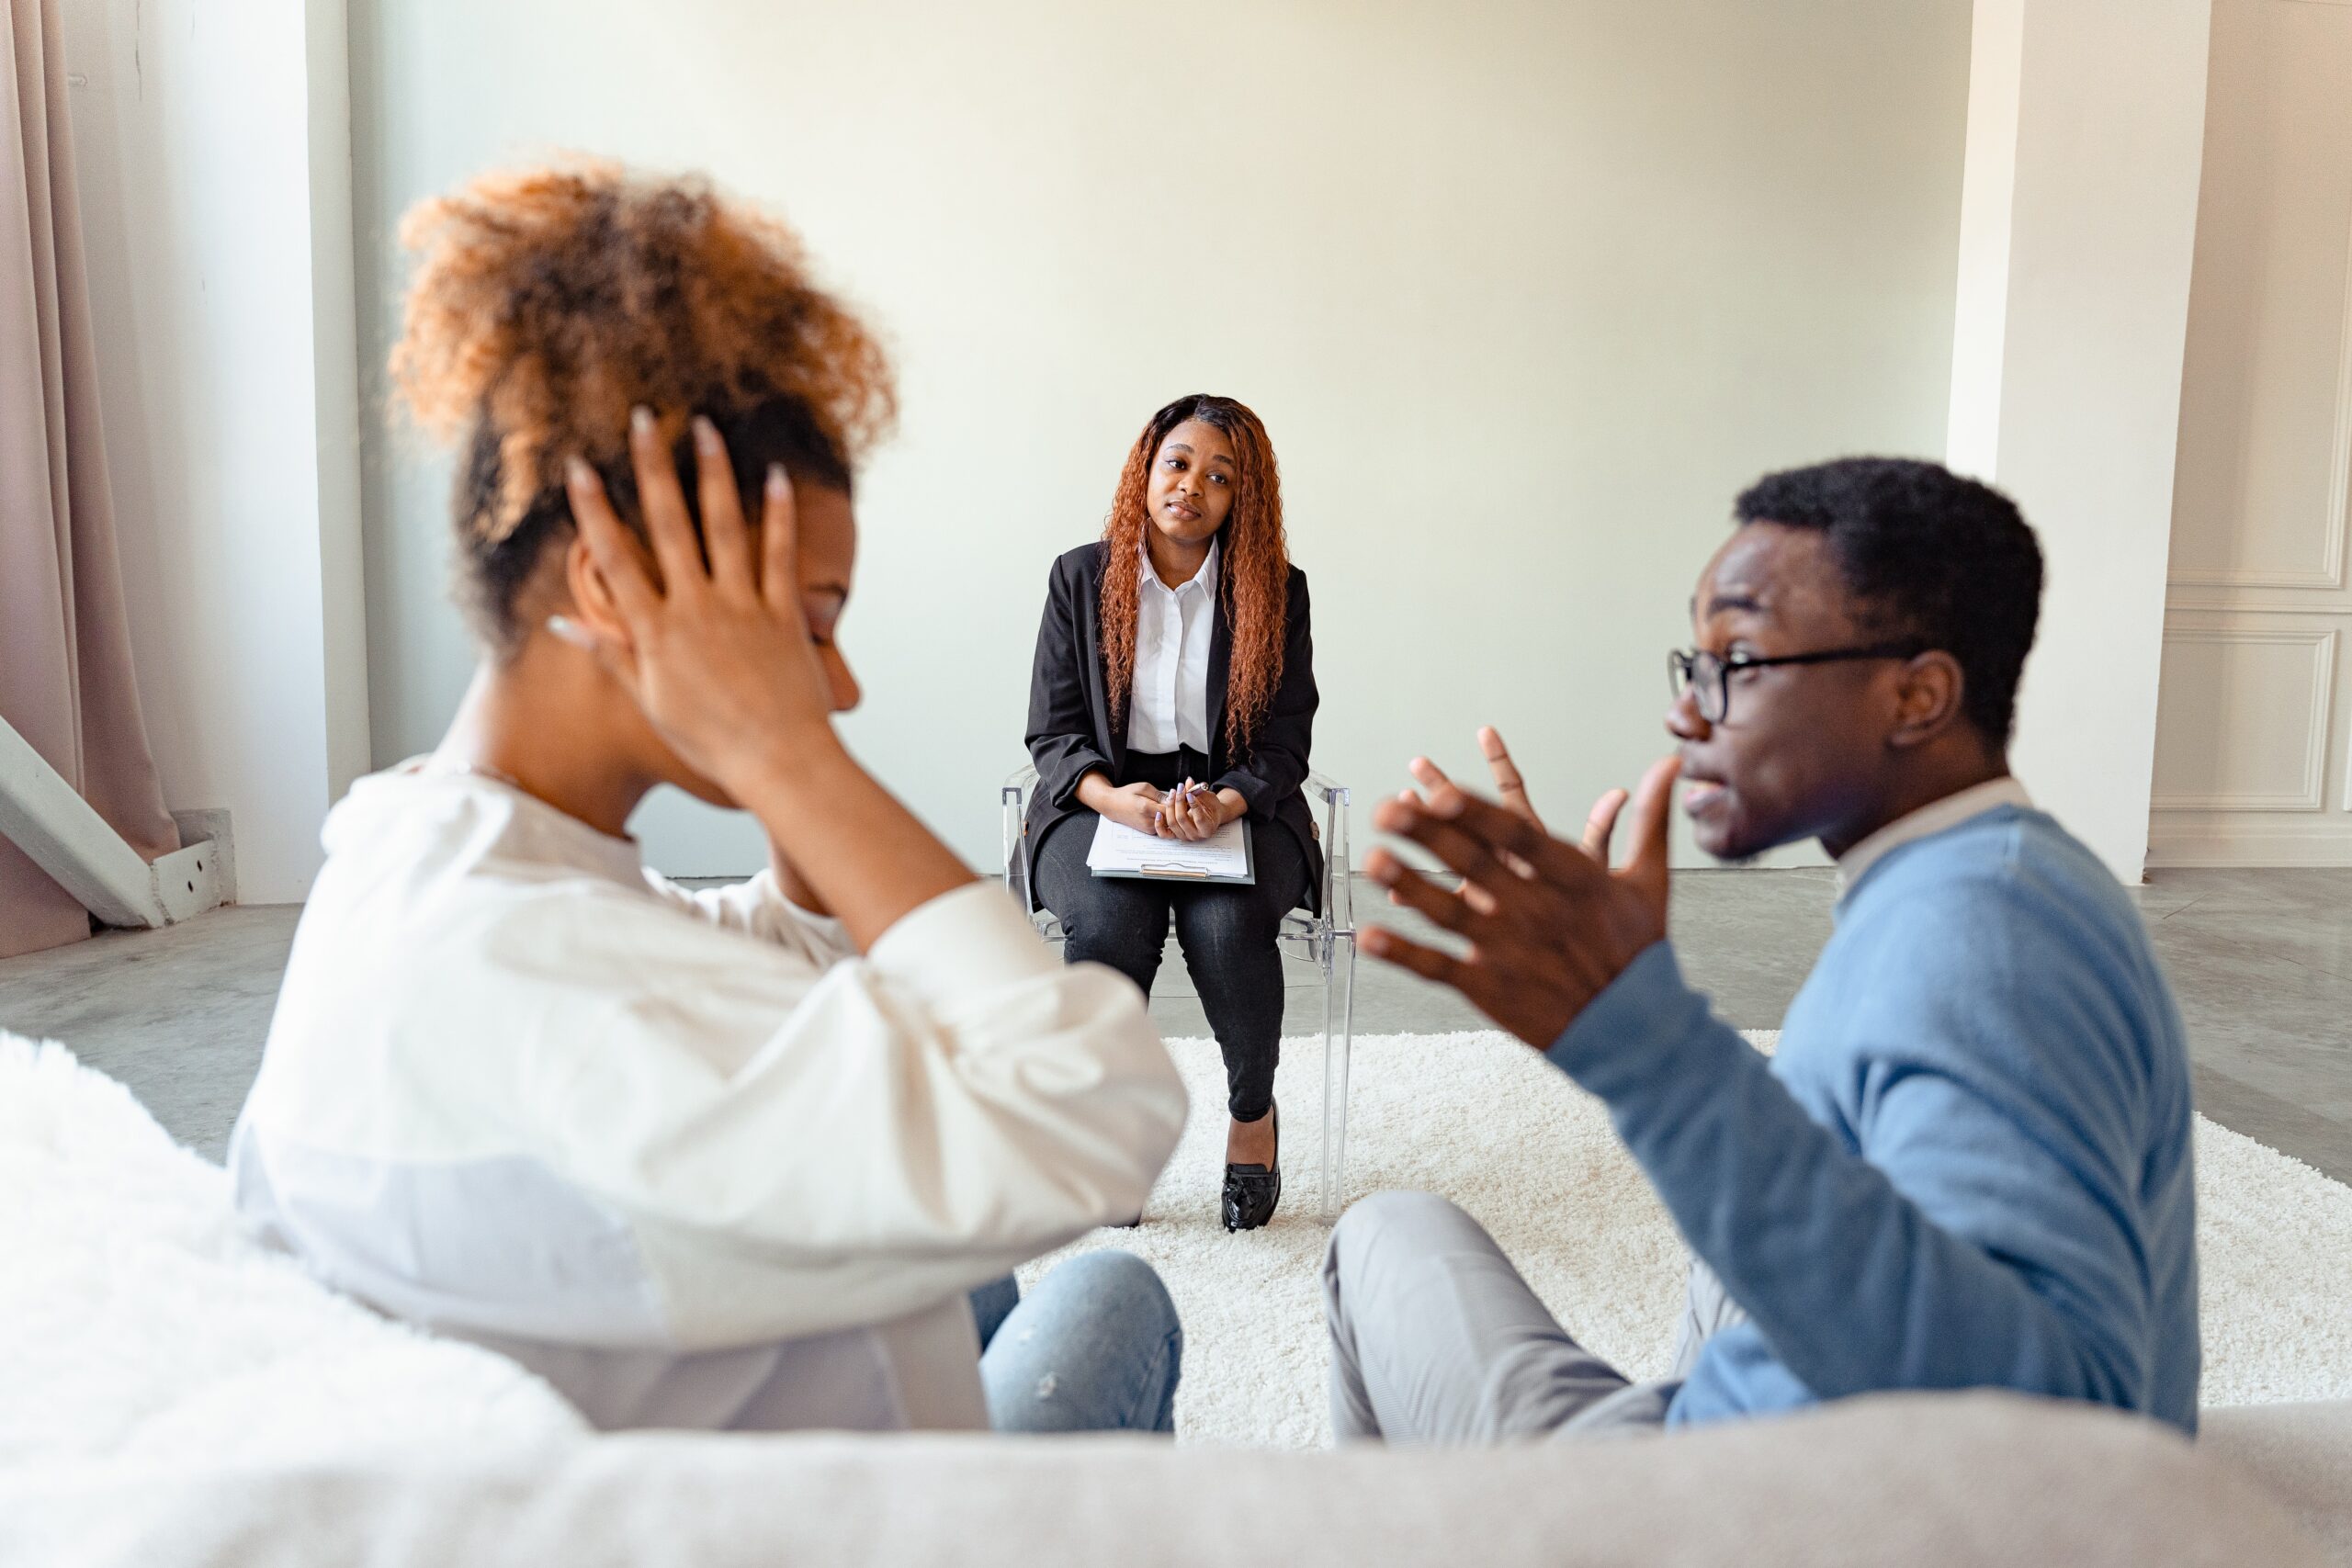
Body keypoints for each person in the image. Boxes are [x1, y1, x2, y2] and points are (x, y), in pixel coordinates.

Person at [228, 163, 1190, 1437]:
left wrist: (777, 754)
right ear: (616, 588)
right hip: (850, 1519)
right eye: (811, 627)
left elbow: (733, 971)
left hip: (662, 1322)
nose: (837, 686)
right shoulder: (532, 978)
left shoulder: (418, 835)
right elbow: (1097, 1100)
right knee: (1115, 1295)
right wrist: (786, 753)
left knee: (981, 1266)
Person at [1325, 457, 2199, 1440]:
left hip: (1729, 1516)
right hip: (1771, 1441)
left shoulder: (1983, 934)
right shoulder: (1990, 877)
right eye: (1691, 664)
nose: (1685, 710)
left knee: (1381, 1234)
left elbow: (2049, 1422)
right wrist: (1615, 990)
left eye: (1737, 661)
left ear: (1917, 698)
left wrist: (1641, 1041)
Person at [1023, 394, 1319, 1231]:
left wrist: (1224, 800)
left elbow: (1287, 741)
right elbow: (1053, 731)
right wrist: (1118, 799)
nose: (1192, 485)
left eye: (1219, 477)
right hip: (1099, 796)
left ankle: (1251, 1118)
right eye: (1178, 464)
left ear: (1242, 500)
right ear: (1146, 472)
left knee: (1227, 930)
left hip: (1239, 798)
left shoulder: (1278, 592)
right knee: (1109, 922)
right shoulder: (1081, 577)